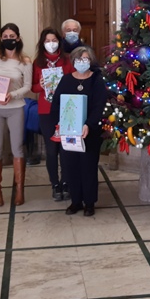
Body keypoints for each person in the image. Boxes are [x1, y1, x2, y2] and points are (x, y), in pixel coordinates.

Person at [50, 45, 107, 216]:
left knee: (88, 166)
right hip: (69, 131)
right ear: (73, 61)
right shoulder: (66, 80)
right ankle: (75, 201)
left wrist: (88, 124)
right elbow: (57, 104)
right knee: (70, 166)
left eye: (86, 59)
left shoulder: (97, 80)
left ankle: (89, 202)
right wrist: (59, 124)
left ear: (91, 61)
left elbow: (99, 106)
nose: (82, 62)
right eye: (79, 59)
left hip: (90, 131)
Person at [0, 23, 32, 207]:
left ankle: (19, 190)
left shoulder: (25, 61)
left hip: (15, 107)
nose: (9, 39)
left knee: (17, 148)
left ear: (18, 38)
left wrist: (12, 95)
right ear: (1, 39)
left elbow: (27, 86)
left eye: (12, 36)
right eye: (5, 36)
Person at [32, 27, 73, 201]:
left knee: (65, 148)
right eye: (47, 41)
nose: (51, 44)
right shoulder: (38, 63)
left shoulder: (67, 60)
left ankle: (66, 182)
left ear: (59, 42)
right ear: (42, 43)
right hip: (46, 110)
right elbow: (33, 87)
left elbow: (74, 80)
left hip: (65, 109)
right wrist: (41, 85)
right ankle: (55, 183)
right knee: (51, 150)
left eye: (54, 40)